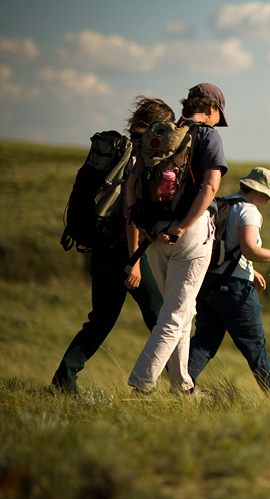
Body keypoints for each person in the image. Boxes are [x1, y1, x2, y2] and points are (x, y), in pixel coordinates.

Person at [51, 97, 172, 394]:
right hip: (123, 250)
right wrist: (134, 262)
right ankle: (183, 382)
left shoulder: (117, 150)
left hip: (100, 248)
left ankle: (64, 378)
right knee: (161, 317)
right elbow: (131, 216)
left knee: (101, 319)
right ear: (156, 125)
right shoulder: (138, 157)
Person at [125, 83, 229, 393]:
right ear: (210, 109)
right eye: (217, 115)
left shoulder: (161, 133)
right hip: (189, 233)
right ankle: (142, 384)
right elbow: (211, 186)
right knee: (174, 314)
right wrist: (183, 226)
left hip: (154, 233)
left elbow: (131, 182)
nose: (216, 121)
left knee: (183, 310)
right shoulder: (208, 135)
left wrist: (141, 222)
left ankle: (182, 385)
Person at [187, 167, 270, 394]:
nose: (267, 202)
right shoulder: (249, 211)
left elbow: (231, 249)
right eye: (267, 197)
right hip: (235, 289)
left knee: (205, 340)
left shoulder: (223, 203)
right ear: (259, 192)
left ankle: (182, 385)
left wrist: (252, 271)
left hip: (208, 282)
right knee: (254, 344)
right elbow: (249, 249)